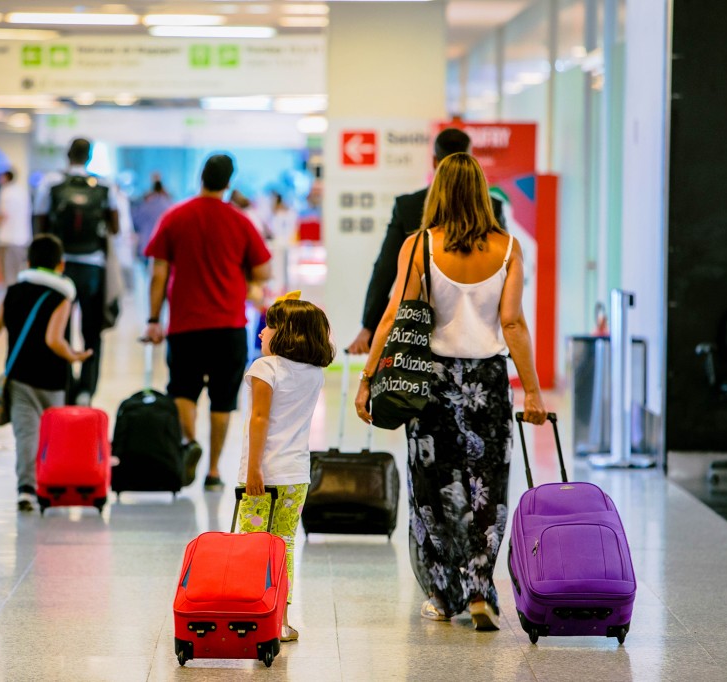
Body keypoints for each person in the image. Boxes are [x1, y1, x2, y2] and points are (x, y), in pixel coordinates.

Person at [353, 153, 547, 631]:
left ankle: (445, 595)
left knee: (432, 490)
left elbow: (395, 313)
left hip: (430, 384)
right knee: (487, 487)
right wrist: (535, 394)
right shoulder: (507, 248)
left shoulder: (418, 245)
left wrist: (368, 377)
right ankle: (481, 588)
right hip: (488, 384)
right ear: (483, 193)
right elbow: (513, 323)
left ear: (437, 192)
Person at [144, 153, 272, 492]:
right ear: (229, 183)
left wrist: (153, 319)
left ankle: (190, 442)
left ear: (201, 177)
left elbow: (157, 274)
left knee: (182, 390)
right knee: (223, 399)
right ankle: (213, 471)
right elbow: (264, 271)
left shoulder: (175, 217)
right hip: (228, 324)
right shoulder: (240, 221)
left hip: (184, 324)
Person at [346, 128, 507, 354]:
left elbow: (385, 269)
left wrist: (369, 326)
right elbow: (501, 277)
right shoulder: (492, 208)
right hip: (476, 332)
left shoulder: (409, 207)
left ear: (434, 160)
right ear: (470, 162)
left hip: (421, 330)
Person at [238, 292, 334, 643]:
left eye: (270, 326)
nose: (262, 332)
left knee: (252, 546)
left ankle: (252, 616)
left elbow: (259, 420)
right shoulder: (314, 373)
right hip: (295, 475)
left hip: (263, 472)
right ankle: (281, 621)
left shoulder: (265, 367)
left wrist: (252, 470)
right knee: (284, 546)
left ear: (287, 333)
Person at [0, 234, 94, 512]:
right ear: (61, 265)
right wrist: (75, 356)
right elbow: (54, 340)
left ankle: (26, 490)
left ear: (29, 262)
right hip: (53, 379)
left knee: (26, 435)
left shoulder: (15, 289)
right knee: (53, 435)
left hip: (20, 375)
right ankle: (50, 486)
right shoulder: (62, 295)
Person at [33, 137, 119, 406]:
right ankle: (86, 390)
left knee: (61, 328)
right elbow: (115, 227)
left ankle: (66, 386)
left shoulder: (50, 183)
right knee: (92, 329)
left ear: (67, 155)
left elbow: (39, 223)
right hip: (93, 265)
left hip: (60, 266)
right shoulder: (105, 186)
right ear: (89, 157)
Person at [0, 169, 33, 287]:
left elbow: (3, 215)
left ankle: (9, 301)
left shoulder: (5, 192)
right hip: (22, 239)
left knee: (8, 275)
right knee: (19, 274)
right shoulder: (22, 191)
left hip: (7, 239)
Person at [131, 174, 174, 263]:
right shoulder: (169, 205)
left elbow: (133, 220)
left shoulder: (146, 205)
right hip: (163, 251)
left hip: (146, 247)